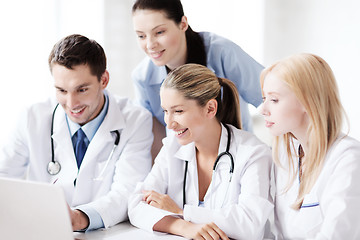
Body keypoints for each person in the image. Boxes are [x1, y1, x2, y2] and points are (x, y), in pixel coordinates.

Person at [0, 34, 153, 231]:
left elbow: (128, 191)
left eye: (81, 90)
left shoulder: (136, 120)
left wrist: (79, 218)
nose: (71, 105)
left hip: (106, 233)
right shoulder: (33, 118)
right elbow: (3, 178)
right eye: (62, 91)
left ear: (104, 80)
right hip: (41, 231)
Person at [128, 63, 273, 240]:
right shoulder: (173, 147)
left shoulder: (253, 153)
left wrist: (181, 212)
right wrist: (182, 226)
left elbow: (249, 224)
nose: (169, 122)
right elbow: (136, 205)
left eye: (178, 111)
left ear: (210, 109)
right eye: (166, 111)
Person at [131, 0, 263, 159]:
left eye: (159, 32)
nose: (150, 44)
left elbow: (269, 97)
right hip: (186, 164)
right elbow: (155, 142)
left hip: (238, 156)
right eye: (141, 36)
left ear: (183, 24)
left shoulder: (222, 52)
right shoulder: (142, 78)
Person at [261, 53, 360, 239]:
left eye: (274, 100)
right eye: (263, 99)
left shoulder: (348, 159)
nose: (263, 110)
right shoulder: (285, 155)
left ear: (307, 101)